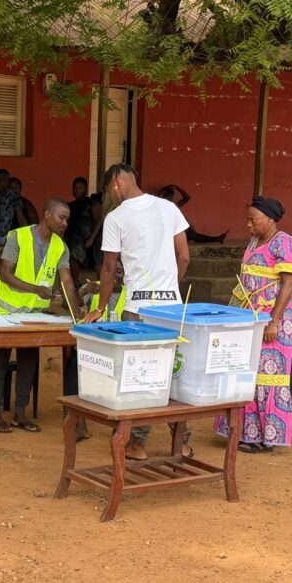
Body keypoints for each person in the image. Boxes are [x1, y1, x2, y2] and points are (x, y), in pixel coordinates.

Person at [84, 163, 192, 460]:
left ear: (116, 184)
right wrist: (169, 289)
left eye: (108, 190)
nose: (110, 197)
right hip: (172, 308)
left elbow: (108, 268)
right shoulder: (168, 209)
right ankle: (181, 441)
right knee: (173, 372)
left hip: (137, 309)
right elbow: (183, 257)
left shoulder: (116, 218)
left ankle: (138, 443)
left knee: (140, 376)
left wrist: (101, 307)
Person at [0, 198, 83, 433]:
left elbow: (67, 282)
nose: (65, 223)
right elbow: (4, 274)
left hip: (33, 315)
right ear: (47, 215)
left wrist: (77, 315)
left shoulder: (60, 246)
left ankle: (20, 413)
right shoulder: (18, 237)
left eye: (67, 219)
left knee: (28, 364)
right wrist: (35, 289)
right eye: (62, 218)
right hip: (5, 312)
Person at [217, 197, 292, 453]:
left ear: (270, 220)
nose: (249, 224)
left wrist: (273, 321)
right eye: (248, 219)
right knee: (247, 372)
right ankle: (245, 433)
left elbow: (288, 284)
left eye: (254, 219)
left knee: (267, 376)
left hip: (273, 320)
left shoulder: (284, 243)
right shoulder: (254, 242)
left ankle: (266, 437)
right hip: (249, 316)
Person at [156, 184, 227, 243]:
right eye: (166, 196)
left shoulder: (173, 205)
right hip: (168, 233)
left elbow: (187, 198)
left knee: (194, 236)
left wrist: (178, 188)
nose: (170, 198)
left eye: (170, 197)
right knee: (194, 236)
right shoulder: (158, 206)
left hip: (177, 231)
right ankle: (217, 239)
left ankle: (217, 239)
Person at [64, 176, 104, 282]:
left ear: (86, 189)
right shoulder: (69, 206)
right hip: (75, 240)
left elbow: (99, 220)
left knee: (98, 257)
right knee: (72, 251)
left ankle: (103, 285)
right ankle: (75, 283)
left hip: (91, 239)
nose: (77, 190)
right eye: (75, 188)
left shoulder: (92, 203)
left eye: (80, 187)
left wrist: (91, 239)